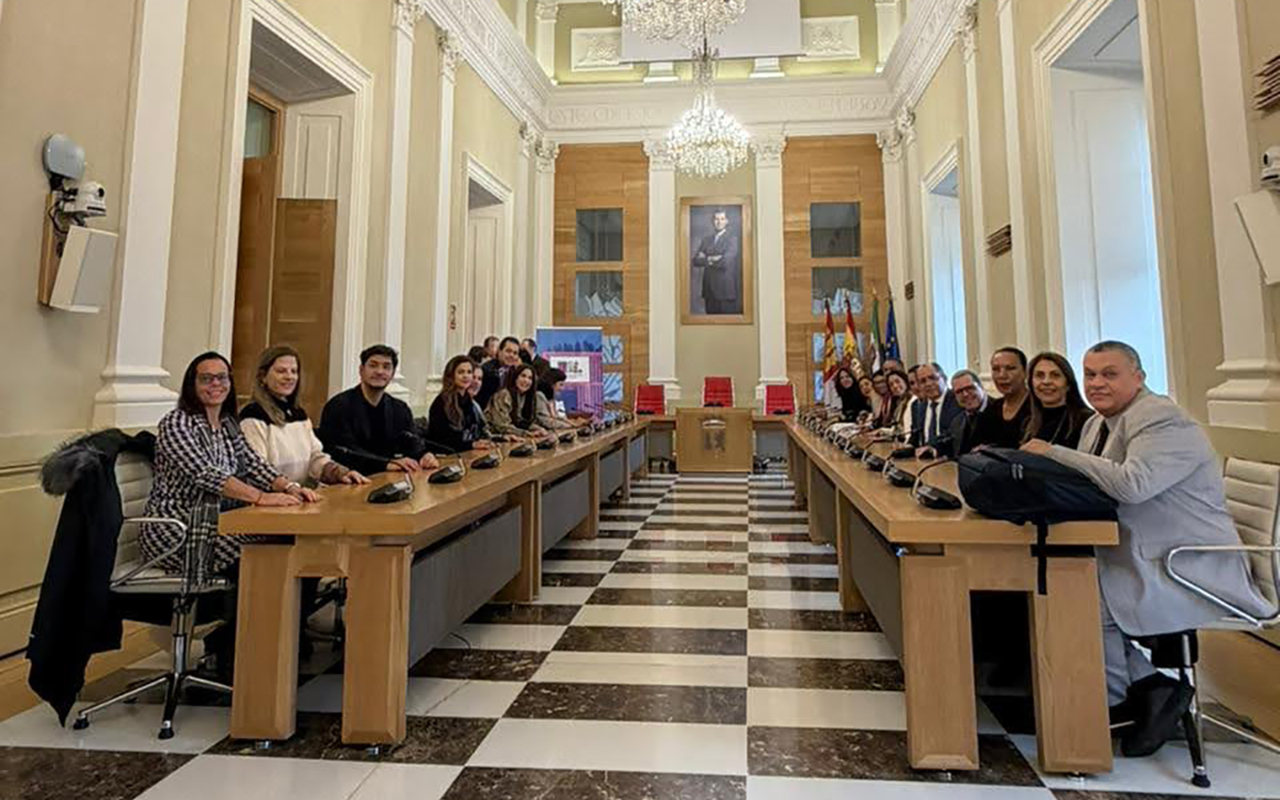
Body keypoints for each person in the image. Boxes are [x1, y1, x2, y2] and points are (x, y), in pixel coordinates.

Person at [1024, 341, 1271, 754]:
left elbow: (1131, 485)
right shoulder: (1097, 423)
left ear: (1138, 378)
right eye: (1090, 374)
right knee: (1067, 586)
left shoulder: (1161, 418)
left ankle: (1117, 704)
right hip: (1143, 550)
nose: (1097, 383)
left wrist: (1054, 453)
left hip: (1188, 563)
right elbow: (1086, 484)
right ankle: (1149, 688)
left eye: (1109, 374)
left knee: (1081, 599)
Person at [239, 346, 370, 487]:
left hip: (298, 494)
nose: (289, 377)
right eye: (281, 371)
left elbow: (315, 457)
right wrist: (289, 488)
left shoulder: (298, 414)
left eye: (294, 371)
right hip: (272, 495)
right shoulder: (252, 416)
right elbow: (257, 469)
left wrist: (340, 473)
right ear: (263, 376)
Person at [318, 345, 440, 474]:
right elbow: (344, 451)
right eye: (373, 365)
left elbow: (411, 442)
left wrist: (424, 455)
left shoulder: (399, 409)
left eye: (386, 367)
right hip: (349, 478)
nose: (380, 371)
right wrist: (385, 464)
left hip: (390, 477)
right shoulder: (338, 406)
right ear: (361, 370)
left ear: (392, 374)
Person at [1022, 351, 1092, 449]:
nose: (1046, 381)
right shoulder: (1027, 422)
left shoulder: (1087, 420)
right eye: (1040, 375)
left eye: (1055, 375)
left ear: (1068, 384)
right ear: (1031, 383)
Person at [425, 355, 494, 453]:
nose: (466, 376)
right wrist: (471, 444)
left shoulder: (468, 401)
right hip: (446, 455)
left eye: (469, 372)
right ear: (451, 375)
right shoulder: (441, 402)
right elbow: (442, 440)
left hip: (467, 453)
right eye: (461, 372)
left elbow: (476, 432)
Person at [972, 347, 1032, 449]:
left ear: (1025, 372)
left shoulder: (1037, 408)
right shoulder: (991, 409)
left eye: (1010, 368)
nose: (1002, 375)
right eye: (996, 369)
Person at [693, 208, 742, 315]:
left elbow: (725, 262)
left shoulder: (732, 239)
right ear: (712, 221)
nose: (719, 222)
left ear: (727, 221)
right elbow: (696, 261)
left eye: (722, 219)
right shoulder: (706, 240)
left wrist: (706, 258)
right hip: (709, 291)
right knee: (710, 322)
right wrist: (712, 258)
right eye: (716, 219)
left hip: (725, 292)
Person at [909, 362, 962, 456]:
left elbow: (954, 437)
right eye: (923, 381)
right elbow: (915, 436)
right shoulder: (918, 406)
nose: (928, 384)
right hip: (924, 459)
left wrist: (934, 448)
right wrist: (907, 446)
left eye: (933, 378)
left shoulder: (957, 401)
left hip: (948, 458)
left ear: (944, 378)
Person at [486, 363, 549, 440]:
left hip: (512, 436)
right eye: (523, 376)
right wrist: (526, 434)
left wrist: (538, 429)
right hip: (494, 436)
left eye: (530, 378)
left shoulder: (525, 398)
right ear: (515, 378)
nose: (526, 380)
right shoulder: (504, 395)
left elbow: (522, 422)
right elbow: (501, 425)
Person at [947, 369, 989, 457]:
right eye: (959, 392)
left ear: (981, 387)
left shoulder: (1001, 411)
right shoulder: (957, 421)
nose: (965, 394)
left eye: (970, 388)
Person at [477, 336, 522, 409]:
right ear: (499, 351)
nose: (511, 355)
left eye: (515, 353)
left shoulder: (517, 373)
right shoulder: (486, 370)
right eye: (508, 351)